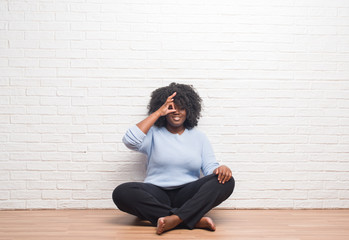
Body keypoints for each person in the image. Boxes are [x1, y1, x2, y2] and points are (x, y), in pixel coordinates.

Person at [112, 82, 235, 235]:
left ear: (189, 111)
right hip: (156, 194)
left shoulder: (199, 137)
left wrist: (221, 169)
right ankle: (189, 219)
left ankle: (174, 219)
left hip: (188, 195)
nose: (176, 112)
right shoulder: (153, 134)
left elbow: (210, 168)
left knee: (226, 181)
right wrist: (158, 113)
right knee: (121, 192)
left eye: (182, 108)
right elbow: (129, 140)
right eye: (171, 108)